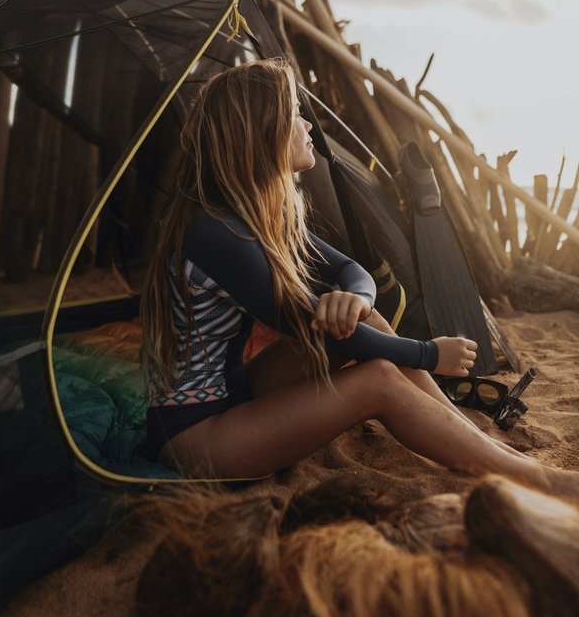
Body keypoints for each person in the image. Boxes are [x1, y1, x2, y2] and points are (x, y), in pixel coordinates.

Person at [139, 58, 568, 493]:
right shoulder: (215, 232)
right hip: (195, 435)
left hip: (237, 391)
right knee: (377, 380)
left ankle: (481, 446)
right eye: (293, 115)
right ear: (262, 132)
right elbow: (317, 330)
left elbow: (351, 270)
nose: (307, 124)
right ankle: (533, 479)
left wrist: (357, 300)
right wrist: (427, 354)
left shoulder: (255, 216)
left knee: (371, 323)